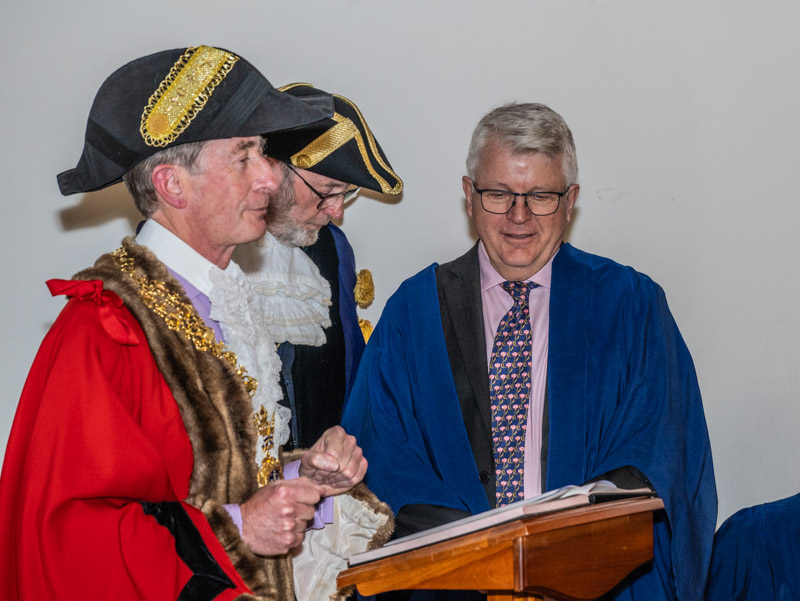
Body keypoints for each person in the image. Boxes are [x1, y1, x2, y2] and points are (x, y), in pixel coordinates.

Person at [0, 46, 392, 601]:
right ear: (172, 185)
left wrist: (304, 482)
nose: (268, 177)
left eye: (263, 153)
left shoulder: (225, 302)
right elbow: (71, 539)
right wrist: (239, 527)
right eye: (244, 157)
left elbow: (223, 481)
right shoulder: (106, 328)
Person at [341, 103, 716, 600]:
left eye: (540, 196)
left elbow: (659, 452)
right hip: (451, 582)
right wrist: (488, 554)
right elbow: (381, 456)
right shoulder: (414, 314)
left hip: (596, 580)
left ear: (570, 201)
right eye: (499, 194)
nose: (519, 216)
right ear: (469, 196)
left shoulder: (631, 307)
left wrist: (560, 545)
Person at [235, 82, 403, 450]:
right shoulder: (210, 246)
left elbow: (352, 382)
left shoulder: (333, 248)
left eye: (346, 194)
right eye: (327, 191)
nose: (337, 211)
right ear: (271, 169)